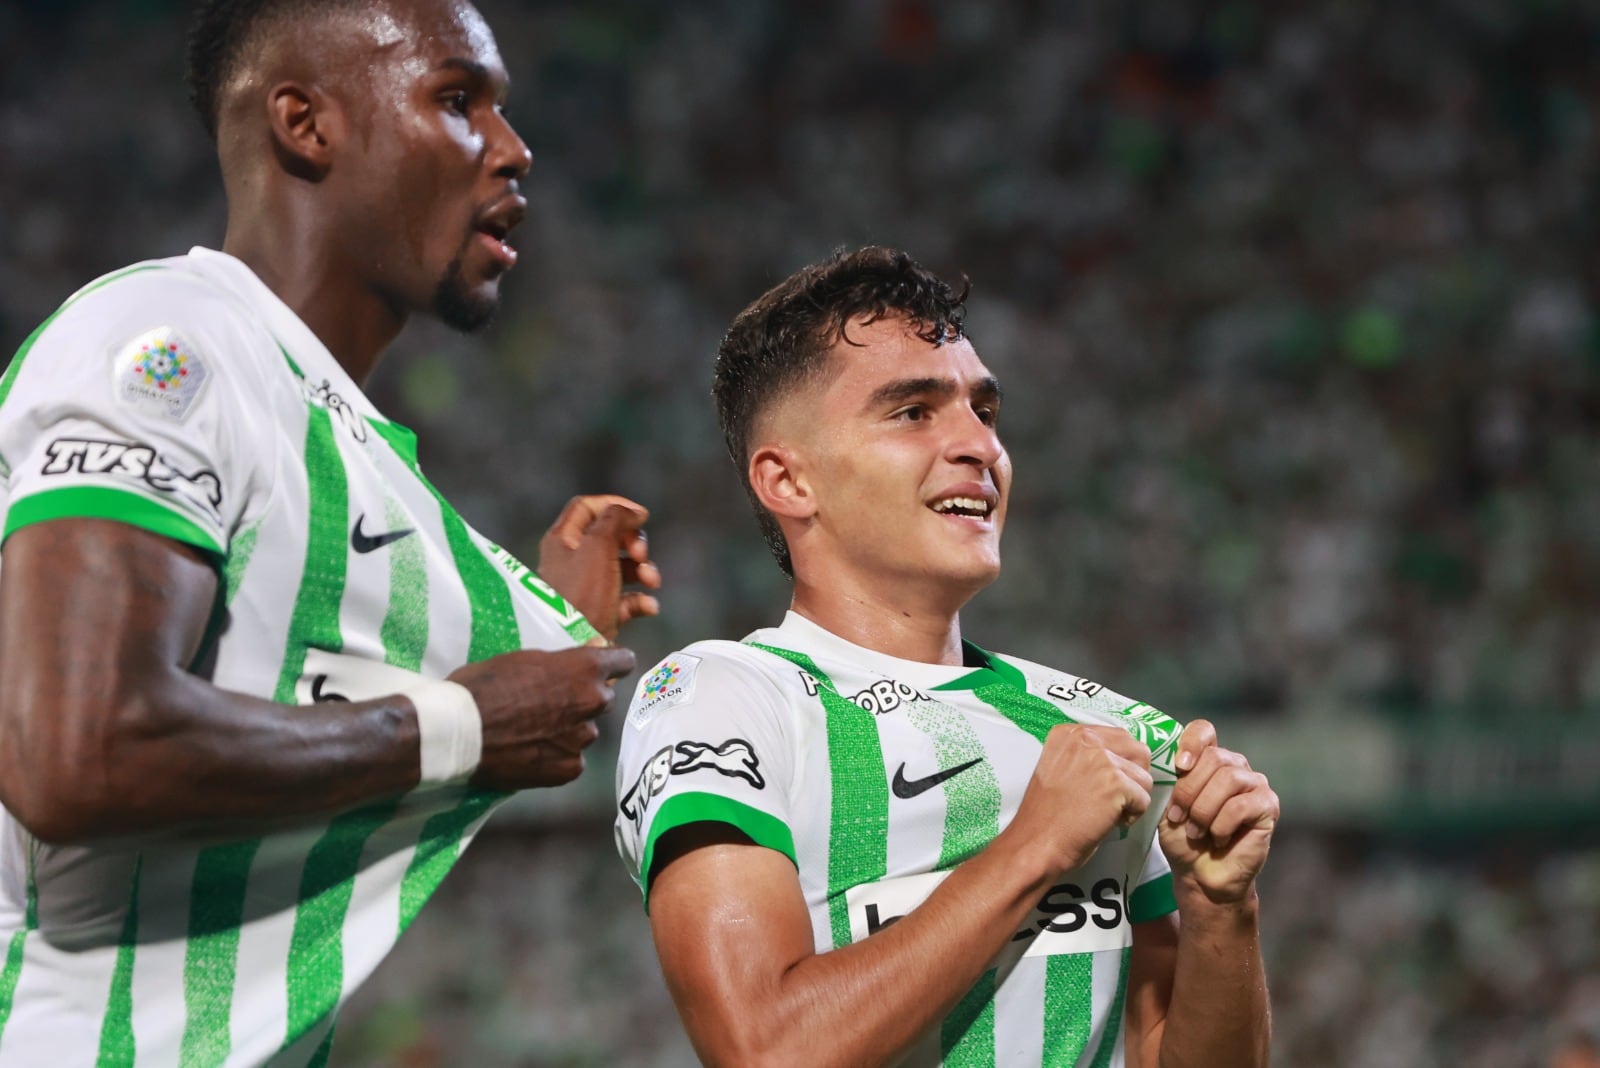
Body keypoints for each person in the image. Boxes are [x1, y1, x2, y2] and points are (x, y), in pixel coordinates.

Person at [0, 0, 660, 1063]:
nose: (514, 147)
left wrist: (552, 626)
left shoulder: (354, 452)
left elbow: (367, 697)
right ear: (306, 125)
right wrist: (462, 727)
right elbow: (77, 748)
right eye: (458, 100)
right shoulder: (168, 345)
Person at [614, 247, 1278, 1066]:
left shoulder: (1104, 727)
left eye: (985, 410)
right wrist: (1034, 847)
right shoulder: (723, 697)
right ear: (788, 481)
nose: (979, 445)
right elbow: (761, 1049)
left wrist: (1222, 906)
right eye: (913, 412)